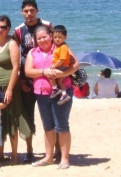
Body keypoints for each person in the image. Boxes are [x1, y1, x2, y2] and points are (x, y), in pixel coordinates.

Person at [24, 25, 79, 169]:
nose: (42, 40)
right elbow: (28, 71)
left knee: (62, 125)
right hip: (41, 93)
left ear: (51, 36)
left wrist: (60, 74)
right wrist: (44, 72)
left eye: (45, 37)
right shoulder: (33, 52)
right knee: (48, 126)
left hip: (62, 91)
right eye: (39, 38)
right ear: (35, 40)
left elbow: (76, 65)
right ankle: (48, 157)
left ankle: (65, 159)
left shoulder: (60, 47)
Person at [12, 0, 52, 164]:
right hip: (27, 80)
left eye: (32, 11)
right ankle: (29, 150)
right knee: (28, 116)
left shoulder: (48, 26)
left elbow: (56, 46)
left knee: (49, 116)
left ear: (37, 10)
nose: (29, 14)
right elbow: (15, 54)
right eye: (26, 11)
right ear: (22, 12)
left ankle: (53, 150)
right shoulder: (19, 31)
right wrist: (21, 81)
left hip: (47, 79)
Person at [0, 15, 25, 164]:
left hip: (8, 87)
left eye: (3, 27)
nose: (0, 30)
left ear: (8, 28)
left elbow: (16, 67)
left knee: (12, 120)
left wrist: (9, 89)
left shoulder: (12, 44)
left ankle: (14, 155)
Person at [49, 25, 72, 105]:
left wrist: (55, 66)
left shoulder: (63, 47)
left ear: (65, 37)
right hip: (62, 66)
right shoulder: (58, 46)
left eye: (60, 37)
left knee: (50, 75)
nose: (57, 39)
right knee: (59, 80)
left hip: (63, 65)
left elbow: (62, 59)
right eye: (55, 37)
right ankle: (64, 94)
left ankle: (55, 89)